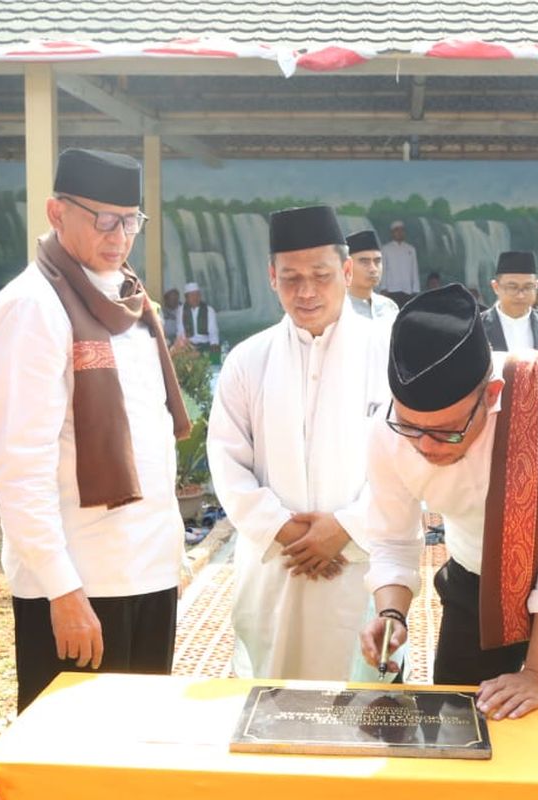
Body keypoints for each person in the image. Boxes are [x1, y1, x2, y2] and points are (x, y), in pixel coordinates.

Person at [0, 148, 191, 712]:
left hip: (145, 571)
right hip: (82, 585)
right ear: (56, 212)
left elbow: (149, 442)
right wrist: (62, 588)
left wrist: (174, 556)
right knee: (72, 765)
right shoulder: (32, 308)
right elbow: (19, 467)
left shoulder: (128, 299)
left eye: (129, 220)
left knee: (137, 755)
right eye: (103, 219)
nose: (118, 235)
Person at [360, 284, 538, 721]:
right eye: (410, 425)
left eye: (446, 431)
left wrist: (536, 673)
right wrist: (391, 612)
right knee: (456, 726)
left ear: (491, 395)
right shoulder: (387, 429)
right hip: (475, 583)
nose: (425, 444)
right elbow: (392, 538)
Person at [207, 205, 390, 680]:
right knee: (269, 707)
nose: (306, 291)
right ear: (272, 277)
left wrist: (345, 528)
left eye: (321, 275)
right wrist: (289, 533)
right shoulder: (248, 360)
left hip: (362, 568)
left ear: (347, 272)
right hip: (276, 569)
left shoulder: (389, 353)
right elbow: (227, 463)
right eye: (290, 278)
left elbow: (410, 463)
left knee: (364, 712)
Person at [481, 251, 538, 355]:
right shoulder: (477, 327)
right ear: (496, 287)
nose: (520, 295)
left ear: (537, 286)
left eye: (528, 287)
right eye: (512, 287)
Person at [345, 229, 399, 322]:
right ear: (347, 266)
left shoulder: (389, 308)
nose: (373, 269)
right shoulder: (337, 312)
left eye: (377, 261)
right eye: (365, 262)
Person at [176, 281, 220, 354]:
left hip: (205, 345)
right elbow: (180, 331)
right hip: (188, 346)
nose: (195, 298)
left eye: (197, 295)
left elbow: (213, 331)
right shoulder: (181, 310)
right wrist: (182, 347)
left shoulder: (209, 310)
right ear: (186, 297)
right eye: (192, 295)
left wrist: (214, 344)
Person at [379, 220, 420, 295]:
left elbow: (414, 269)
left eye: (402, 230)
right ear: (392, 233)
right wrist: (383, 287)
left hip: (407, 290)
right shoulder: (385, 249)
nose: (399, 233)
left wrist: (416, 289)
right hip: (391, 289)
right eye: (397, 230)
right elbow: (383, 269)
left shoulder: (410, 249)